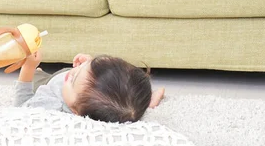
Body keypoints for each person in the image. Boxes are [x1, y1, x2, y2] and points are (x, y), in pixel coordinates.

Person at [15, 51, 165, 123]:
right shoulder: (114, 103)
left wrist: (28, 68)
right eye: (86, 66)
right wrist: (89, 63)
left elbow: (21, 105)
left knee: (36, 75)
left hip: (49, 83)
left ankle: (38, 72)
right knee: (131, 105)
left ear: (76, 112)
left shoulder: (50, 105)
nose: (72, 71)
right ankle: (148, 101)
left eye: (73, 80)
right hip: (63, 80)